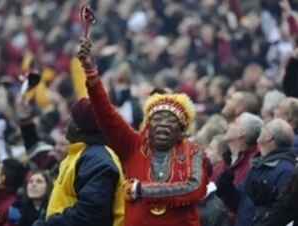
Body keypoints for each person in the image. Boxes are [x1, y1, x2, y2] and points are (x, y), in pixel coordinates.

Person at [77, 38, 209, 226]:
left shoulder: (194, 152)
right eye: (157, 119)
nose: (163, 124)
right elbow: (106, 114)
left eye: (171, 120)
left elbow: (194, 189)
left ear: (182, 129)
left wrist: (142, 189)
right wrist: (91, 72)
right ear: (147, 125)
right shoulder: (133, 146)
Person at [33, 98, 125, 226]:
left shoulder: (97, 160)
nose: (66, 123)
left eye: (70, 119)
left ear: (79, 127)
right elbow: (55, 203)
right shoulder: (75, 155)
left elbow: (89, 216)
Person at [216, 118, 296, 226]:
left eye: (265, 128)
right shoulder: (258, 165)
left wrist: (263, 210)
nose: (261, 130)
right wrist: (226, 188)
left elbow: (280, 215)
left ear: (269, 137)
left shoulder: (286, 170)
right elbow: (239, 204)